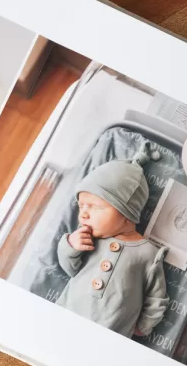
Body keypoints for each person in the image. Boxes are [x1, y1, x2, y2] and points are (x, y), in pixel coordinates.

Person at [55, 142, 170, 338]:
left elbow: (157, 296)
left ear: (128, 213)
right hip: (63, 318)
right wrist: (70, 246)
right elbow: (70, 269)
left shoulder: (148, 253)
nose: (83, 214)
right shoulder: (88, 240)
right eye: (81, 206)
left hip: (109, 335)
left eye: (94, 207)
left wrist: (143, 325)